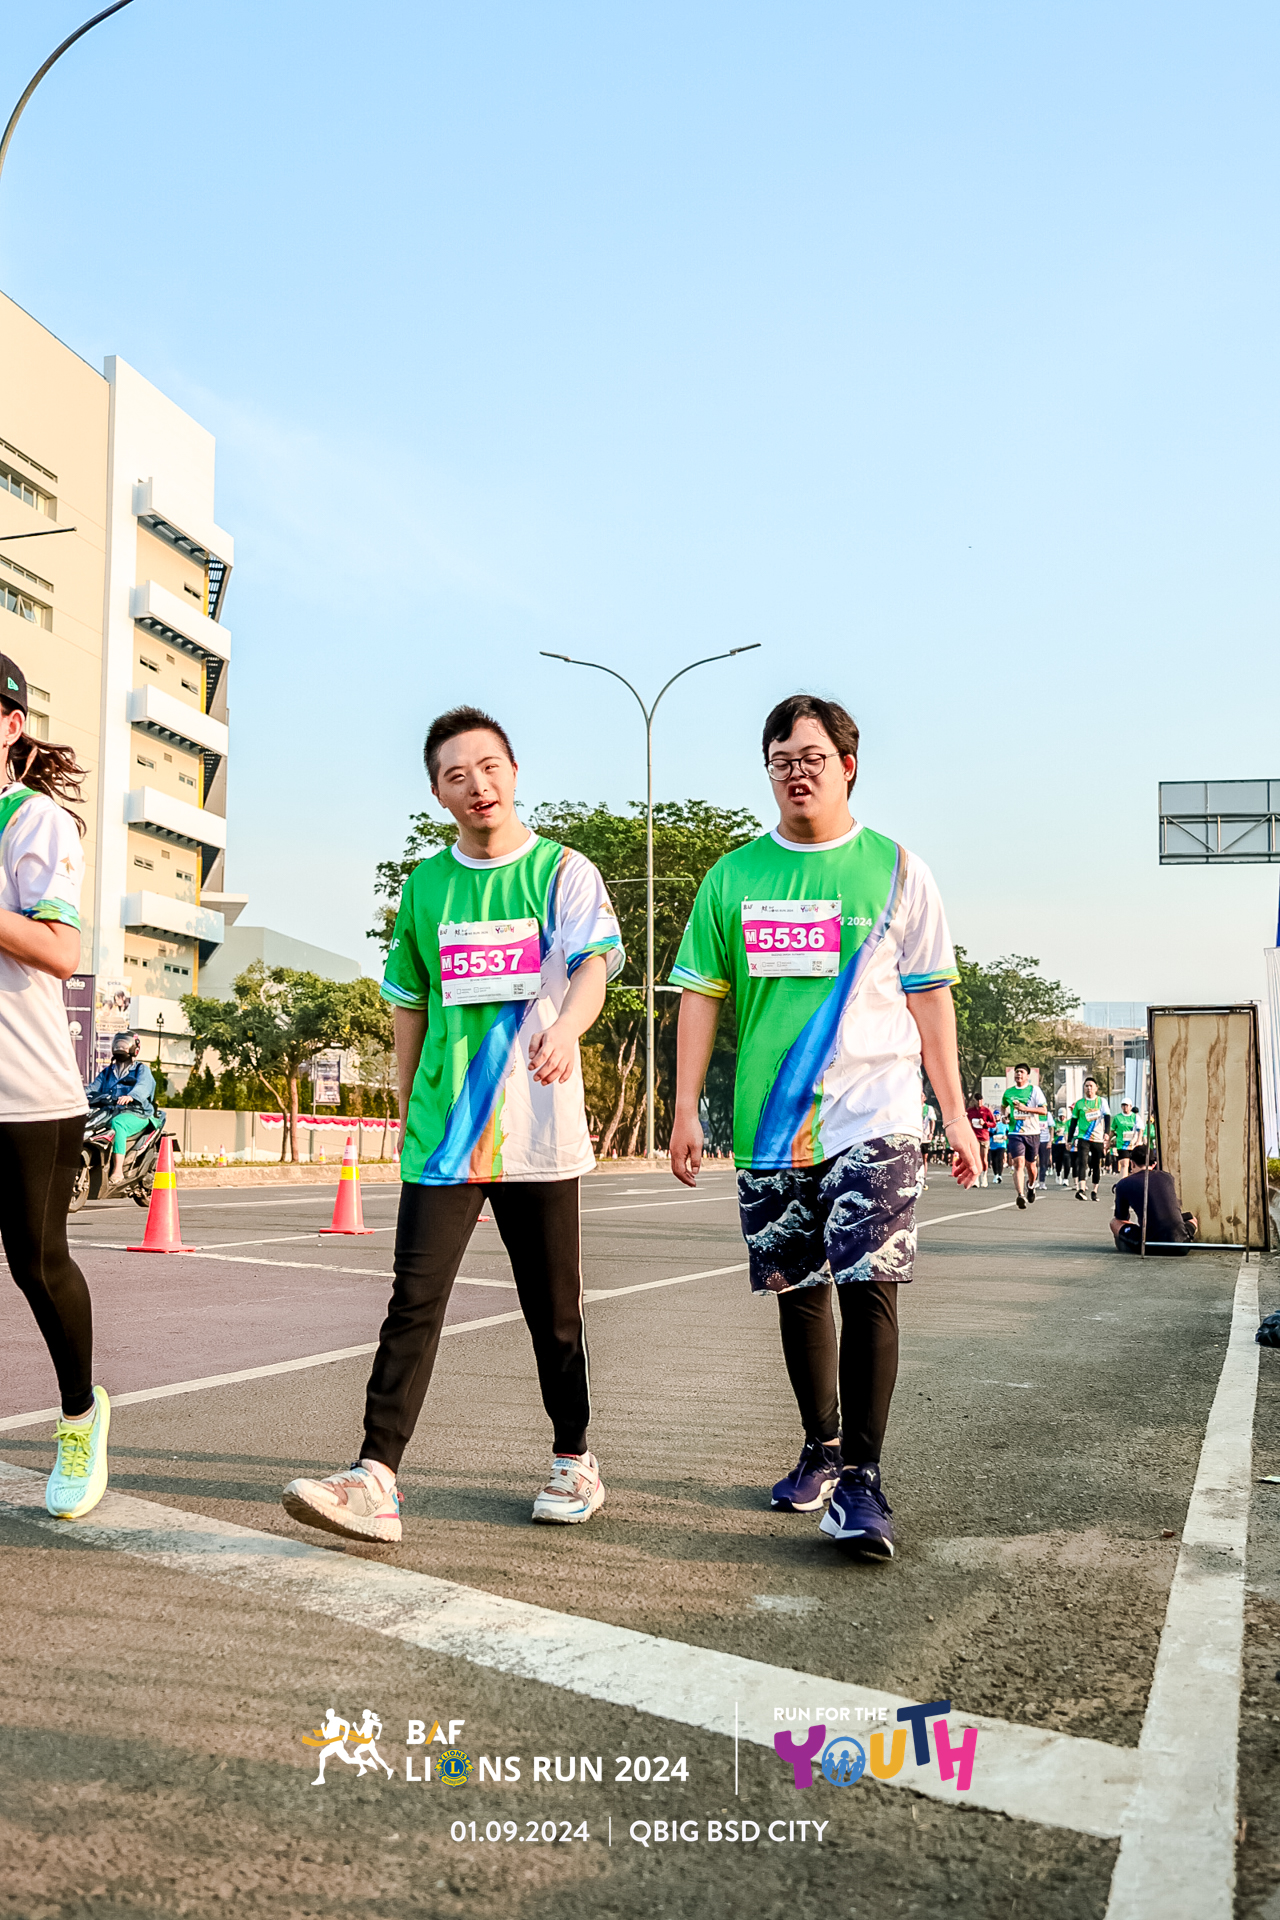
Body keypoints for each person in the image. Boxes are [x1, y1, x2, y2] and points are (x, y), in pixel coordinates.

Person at [282, 706, 623, 1543]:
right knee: (413, 1301)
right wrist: (407, 1108)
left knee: (555, 1310)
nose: (477, 785)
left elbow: (593, 967)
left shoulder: (562, 871)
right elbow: (409, 1003)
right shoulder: (425, 887)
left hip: (537, 1129)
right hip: (446, 1132)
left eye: (489, 767)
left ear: (515, 773)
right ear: (437, 793)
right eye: (456, 775)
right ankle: (376, 1477)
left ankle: (574, 1459)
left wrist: (567, 1029)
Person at [668, 692, 981, 1563]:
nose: (795, 773)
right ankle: (822, 1446)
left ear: (847, 766)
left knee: (870, 1282)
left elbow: (931, 1000)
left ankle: (864, 1483)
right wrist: (686, 1106)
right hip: (771, 1121)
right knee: (798, 1288)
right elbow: (701, 996)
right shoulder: (732, 877)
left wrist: (955, 1115)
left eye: (810, 758)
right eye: (780, 761)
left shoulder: (897, 870)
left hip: (878, 1109)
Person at [0, 653, 108, 1520]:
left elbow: (61, 950)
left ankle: (80, 1417)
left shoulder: (34, 821)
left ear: (11, 725)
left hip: (25, 1093)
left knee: (36, 1264)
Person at [86, 1032, 157, 1188]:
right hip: (110, 1112)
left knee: (118, 1124)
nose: (120, 1047)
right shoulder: (107, 1072)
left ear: (134, 1048)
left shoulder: (141, 1070)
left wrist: (131, 1096)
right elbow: (92, 1088)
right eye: (118, 1044)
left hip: (137, 1113)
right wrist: (78, 1096)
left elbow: (144, 1086)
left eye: (124, 1045)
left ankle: (118, 1170)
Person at [1110, 1145, 1198, 1254]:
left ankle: (1127, 1246)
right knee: (1192, 1219)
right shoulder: (1168, 1177)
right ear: (1154, 1164)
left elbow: (1121, 1217)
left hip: (1150, 1244)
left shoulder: (1124, 1183)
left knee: (1114, 1223)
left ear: (1132, 1163)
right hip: (1181, 1245)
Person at [1000, 1064, 1047, 1210]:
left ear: (1027, 1075)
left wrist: (1025, 1109)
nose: (1018, 1074)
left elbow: (1044, 1110)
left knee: (1031, 1166)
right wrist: (1003, 1117)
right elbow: (1003, 1106)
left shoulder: (1035, 1090)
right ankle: (1020, 1195)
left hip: (1032, 1133)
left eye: (1021, 1072)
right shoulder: (1009, 1092)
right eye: (1016, 1072)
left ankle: (1031, 1186)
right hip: (1015, 1133)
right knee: (1018, 1163)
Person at [1069, 1077, 1110, 1202]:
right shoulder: (1079, 1104)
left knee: (1096, 1164)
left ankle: (1094, 1190)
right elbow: (1073, 1122)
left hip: (1097, 1137)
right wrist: (1069, 1139)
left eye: (1091, 1086)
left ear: (1096, 1088)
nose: (1089, 1088)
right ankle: (1081, 1189)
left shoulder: (1101, 1101)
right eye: (1086, 1086)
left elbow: (1107, 1117)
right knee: (1082, 1162)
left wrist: (1106, 1133)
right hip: (1083, 1137)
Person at [965, 1097, 996, 1188]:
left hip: (984, 1138)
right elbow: (964, 1122)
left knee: (983, 1159)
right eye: (977, 1100)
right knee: (974, 1159)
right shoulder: (970, 1111)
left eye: (980, 1100)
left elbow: (993, 1124)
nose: (979, 1102)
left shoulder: (986, 1111)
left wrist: (985, 1123)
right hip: (973, 1138)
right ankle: (975, 1179)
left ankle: (984, 1177)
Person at [1111, 1100, 1141, 1177]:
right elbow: (1112, 1130)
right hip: (1122, 1144)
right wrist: (1107, 1140)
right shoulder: (1117, 1117)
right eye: (1123, 1105)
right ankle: (1123, 1181)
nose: (1125, 1107)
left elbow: (1141, 1129)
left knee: (1133, 1165)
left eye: (1127, 1105)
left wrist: (1138, 1141)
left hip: (1133, 1144)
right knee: (1124, 1163)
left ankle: (1133, 1180)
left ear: (1130, 1107)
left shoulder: (1135, 1117)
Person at [1052, 1107, 1071, 1186]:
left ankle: (1066, 1178)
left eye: (1063, 1116)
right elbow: (1051, 1131)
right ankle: (1058, 1174)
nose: (1062, 1117)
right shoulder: (1054, 1122)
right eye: (1060, 1116)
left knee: (1067, 1160)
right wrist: (1055, 1132)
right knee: (1058, 1161)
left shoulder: (1068, 1122)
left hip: (1066, 1144)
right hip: (1056, 1143)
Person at [988, 1112, 1008, 1183]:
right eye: (995, 1115)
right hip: (993, 1145)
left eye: (997, 1115)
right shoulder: (991, 1125)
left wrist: (1006, 1137)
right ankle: (995, 1174)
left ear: (1000, 1116)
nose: (996, 1117)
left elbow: (1008, 1133)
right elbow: (988, 1133)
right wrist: (994, 1132)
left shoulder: (1004, 1125)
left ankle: (1000, 1175)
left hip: (1001, 1144)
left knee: (1000, 1158)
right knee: (994, 1160)